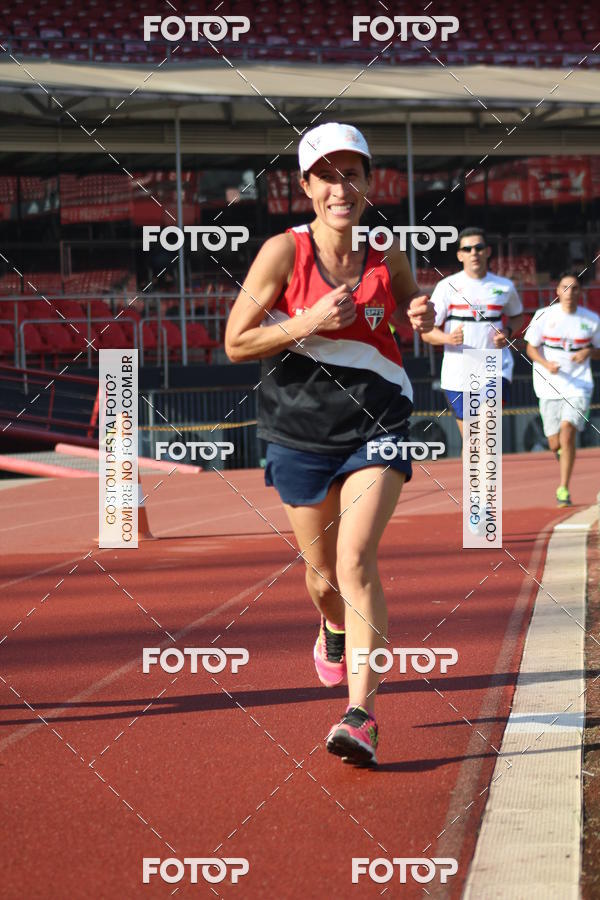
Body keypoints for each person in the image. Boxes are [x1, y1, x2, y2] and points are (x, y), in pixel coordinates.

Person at [224, 122, 434, 766]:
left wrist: (419, 315)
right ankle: (333, 627)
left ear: (369, 183)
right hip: (298, 431)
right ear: (307, 186)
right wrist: (309, 321)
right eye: (328, 175)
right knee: (321, 579)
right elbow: (235, 342)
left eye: (354, 174)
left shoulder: (384, 246)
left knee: (356, 561)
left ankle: (362, 715)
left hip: (379, 419)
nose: (342, 187)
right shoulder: (282, 253)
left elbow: (404, 311)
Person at [421, 227, 524, 439]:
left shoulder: (504, 286)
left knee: (486, 431)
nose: (473, 253)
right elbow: (426, 331)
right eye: (467, 249)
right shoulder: (447, 286)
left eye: (478, 248)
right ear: (460, 255)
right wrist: (447, 338)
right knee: (473, 442)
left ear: (488, 251)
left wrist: (508, 331)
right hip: (457, 372)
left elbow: (518, 316)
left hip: (493, 366)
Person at [525, 271, 600, 507]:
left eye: (574, 288)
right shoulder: (544, 316)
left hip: (579, 385)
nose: (569, 293)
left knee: (568, 432)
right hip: (548, 386)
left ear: (580, 293)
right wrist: (547, 364)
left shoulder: (591, 320)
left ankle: (563, 488)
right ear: (557, 291)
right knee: (555, 442)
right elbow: (530, 348)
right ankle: (562, 453)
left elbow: (599, 350)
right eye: (565, 288)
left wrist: (587, 352)